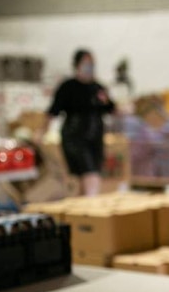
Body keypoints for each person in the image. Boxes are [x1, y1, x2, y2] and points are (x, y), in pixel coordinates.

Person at [45, 49, 116, 196]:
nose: (89, 66)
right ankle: (90, 203)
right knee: (87, 172)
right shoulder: (68, 87)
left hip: (95, 136)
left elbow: (111, 108)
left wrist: (106, 101)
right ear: (77, 64)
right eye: (86, 63)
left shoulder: (97, 87)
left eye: (91, 63)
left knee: (94, 170)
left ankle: (87, 202)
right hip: (75, 136)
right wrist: (42, 132)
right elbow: (53, 111)